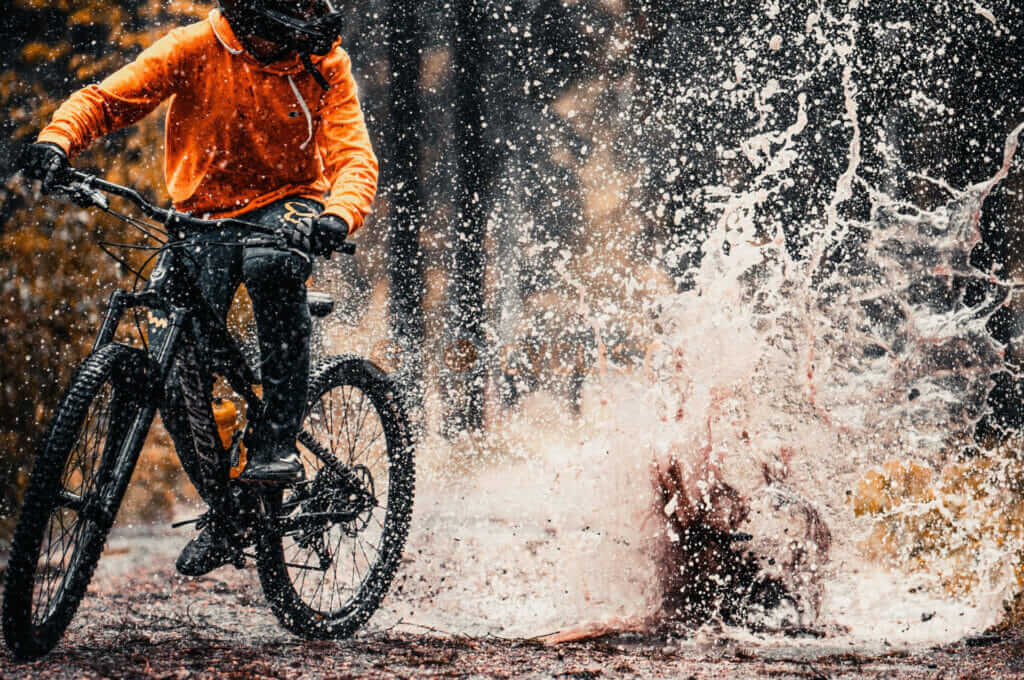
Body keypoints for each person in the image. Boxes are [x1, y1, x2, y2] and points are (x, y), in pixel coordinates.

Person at [20, 0, 378, 576]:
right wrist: (57, 141)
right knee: (174, 358)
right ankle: (230, 509)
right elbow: (111, 98)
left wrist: (338, 214)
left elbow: (352, 155)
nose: (306, 28)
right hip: (202, 215)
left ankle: (276, 443)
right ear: (254, 18)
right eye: (295, 16)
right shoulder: (194, 48)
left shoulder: (323, 63)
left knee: (271, 264)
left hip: (289, 203)